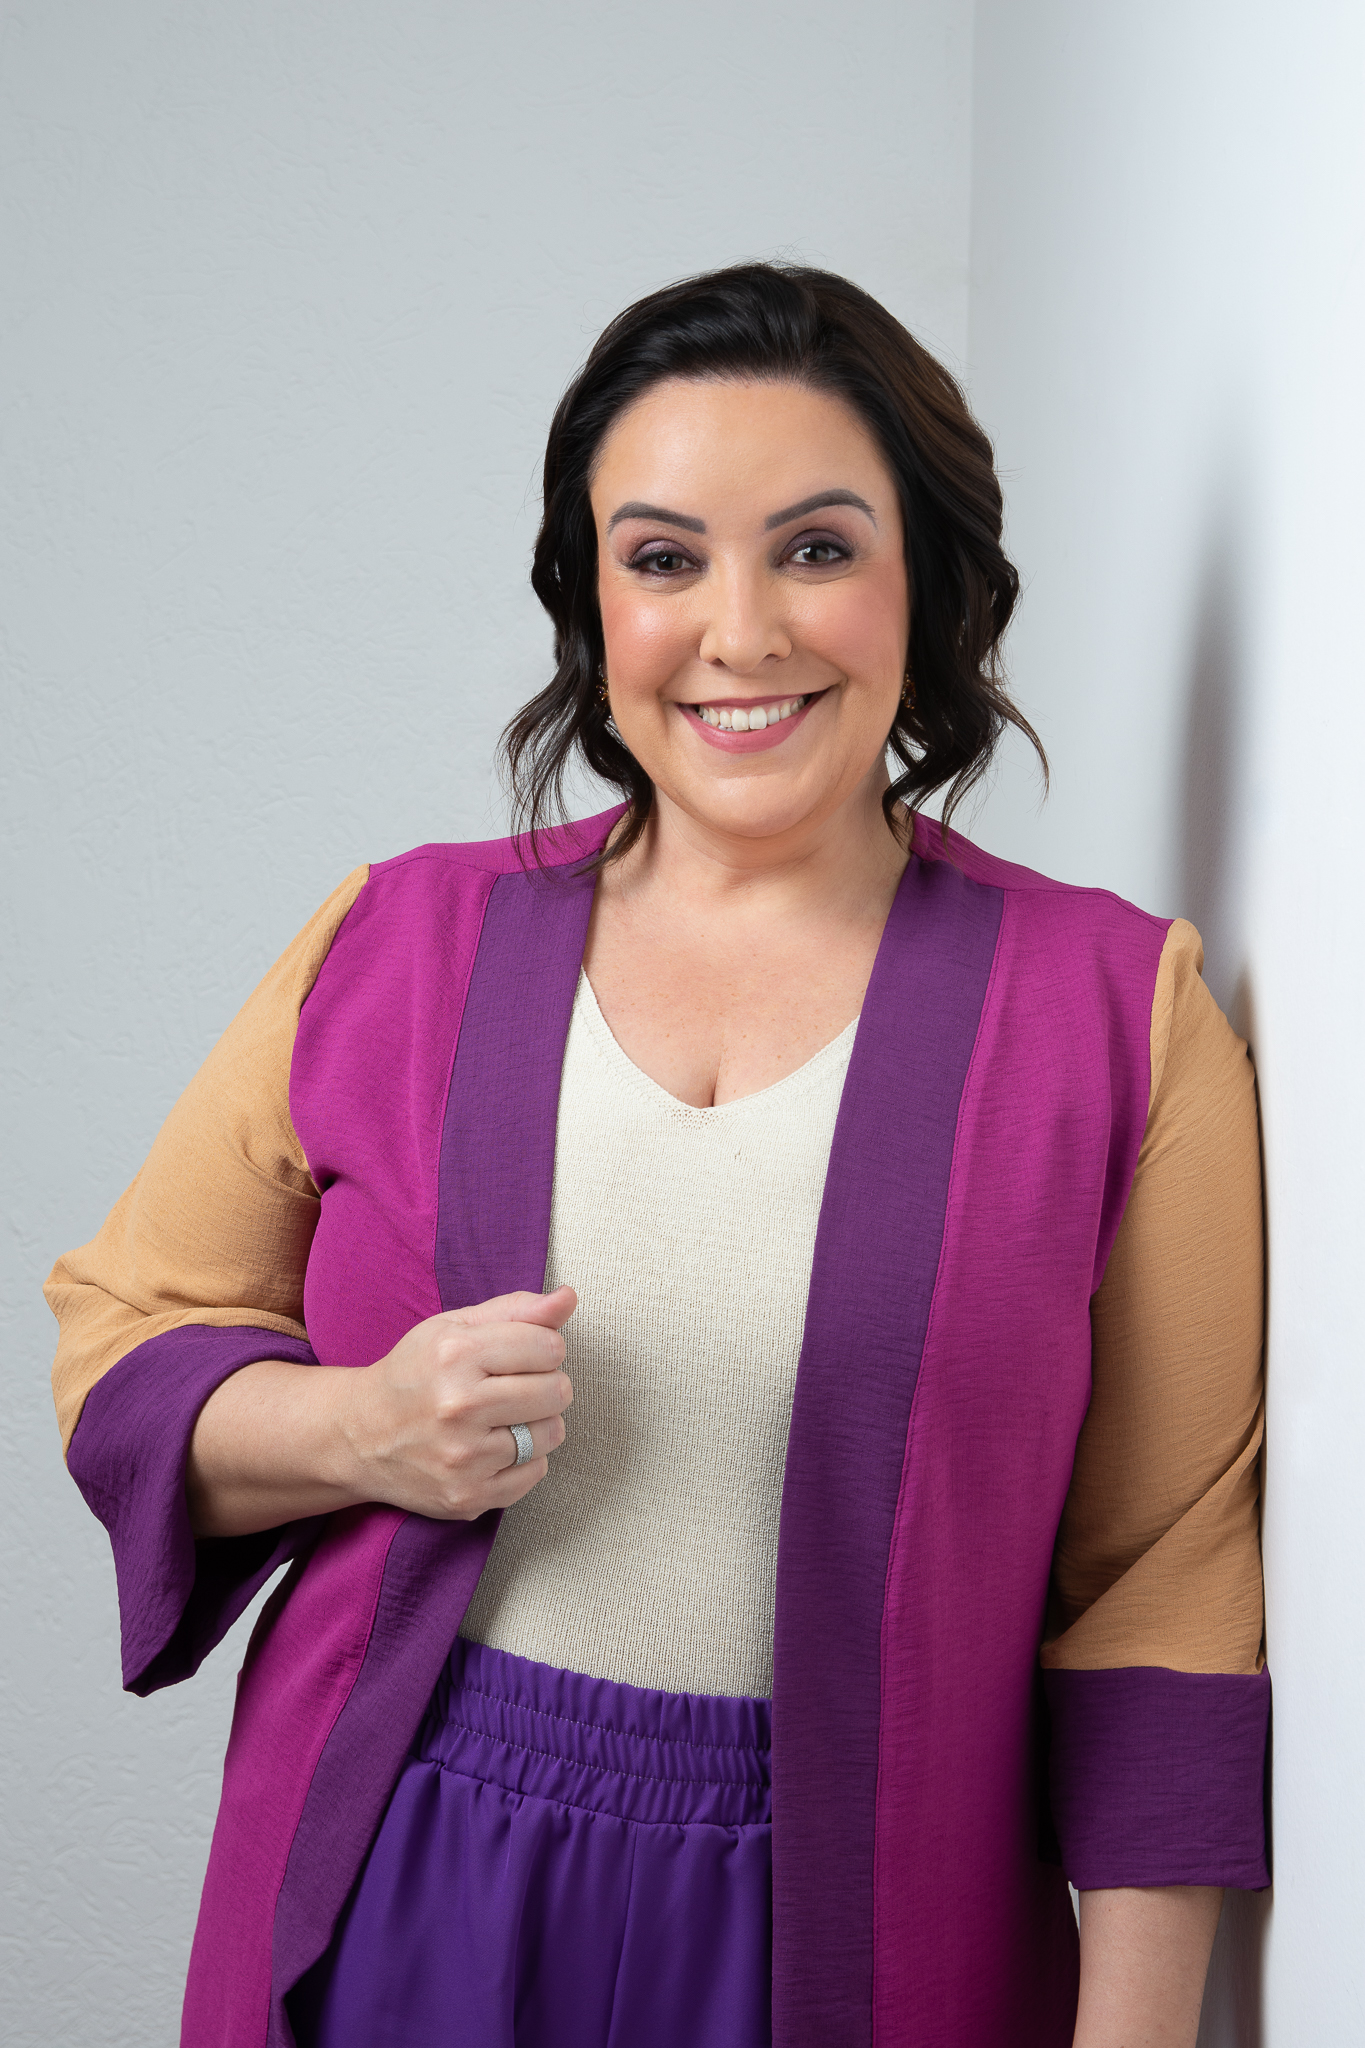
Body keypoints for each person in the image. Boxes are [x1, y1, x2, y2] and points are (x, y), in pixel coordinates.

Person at [46, 263, 1267, 2048]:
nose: (740, 633)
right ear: (591, 599)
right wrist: (361, 1428)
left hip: (866, 1920)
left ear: (929, 581)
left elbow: (1161, 1586)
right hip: (405, 1862)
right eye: (665, 558)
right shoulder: (394, 943)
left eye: (817, 548)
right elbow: (124, 1341)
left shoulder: (1116, 1015)